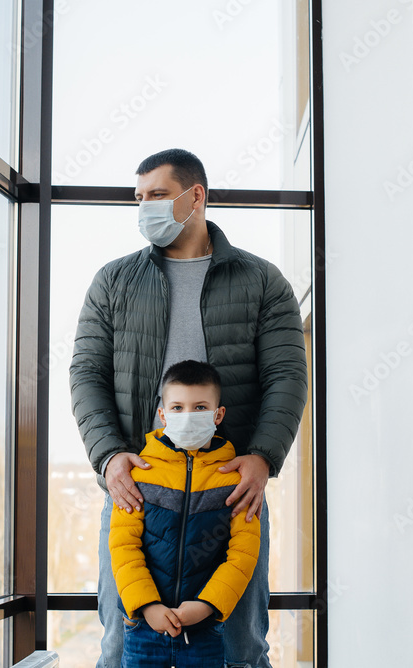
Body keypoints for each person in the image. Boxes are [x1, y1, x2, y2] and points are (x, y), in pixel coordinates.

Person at [70, 148, 307, 668]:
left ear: (194, 196)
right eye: (139, 198)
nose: (144, 208)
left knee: (240, 647)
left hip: (231, 496)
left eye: (156, 194)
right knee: (122, 644)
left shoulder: (262, 282)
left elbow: (287, 376)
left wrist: (263, 456)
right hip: (137, 491)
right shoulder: (113, 283)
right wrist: (110, 458)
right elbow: (86, 375)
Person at [111, 360, 260, 668]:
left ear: (218, 414)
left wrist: (207, 605)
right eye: (177, 408)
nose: (188, 416)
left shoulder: (235, 480)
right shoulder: (139, 475)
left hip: (205, 629)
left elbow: (243, 555)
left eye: (200, 407)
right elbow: (124, 547)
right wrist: (148, 606)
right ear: (162, 415)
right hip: (143, 627)